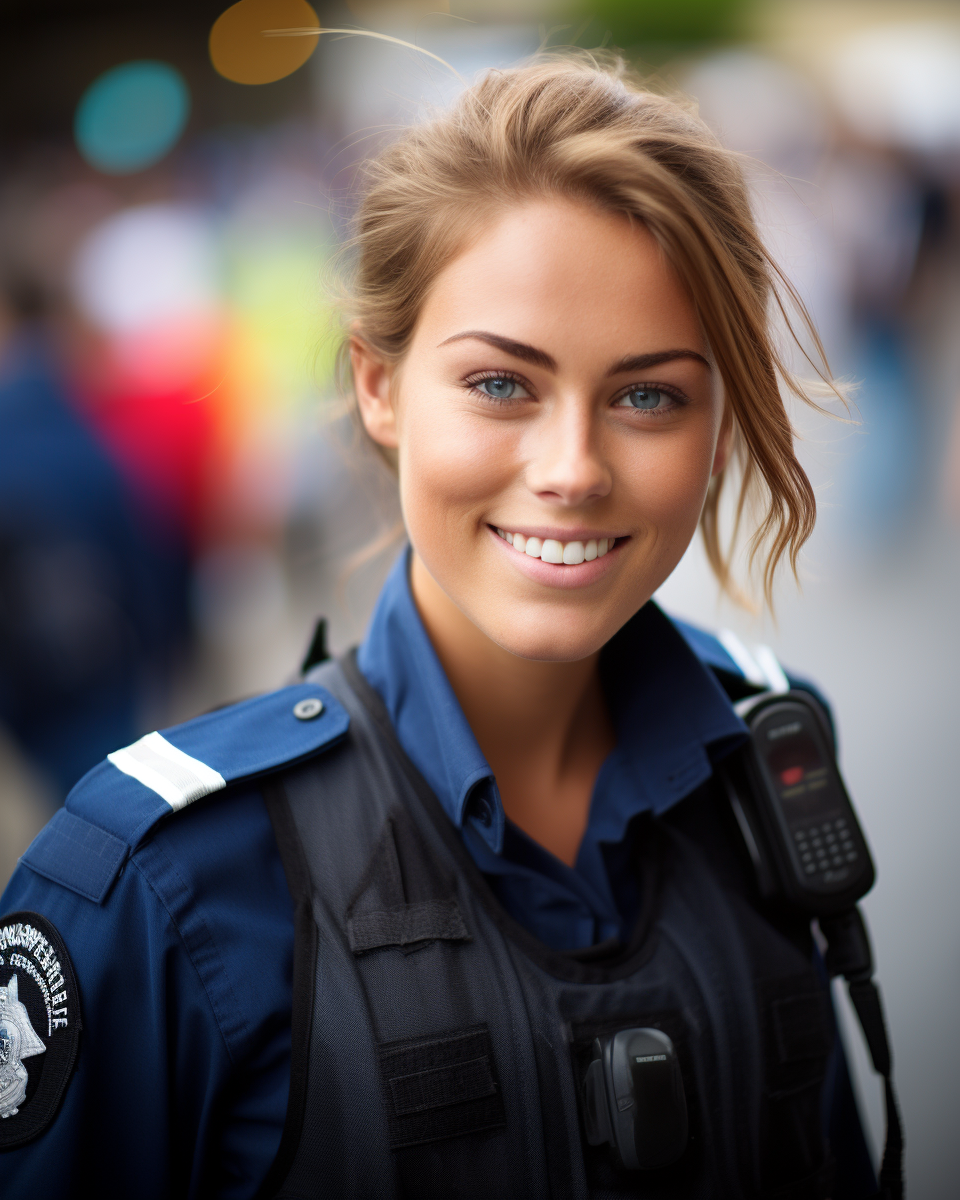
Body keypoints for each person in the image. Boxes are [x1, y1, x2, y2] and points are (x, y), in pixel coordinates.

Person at [0, 56, 881, 1198]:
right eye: (502, 385)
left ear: (718, 426)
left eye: (650, 395)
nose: (572, 470)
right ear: (379, 385)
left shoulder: (771, 761)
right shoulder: (153, 885)